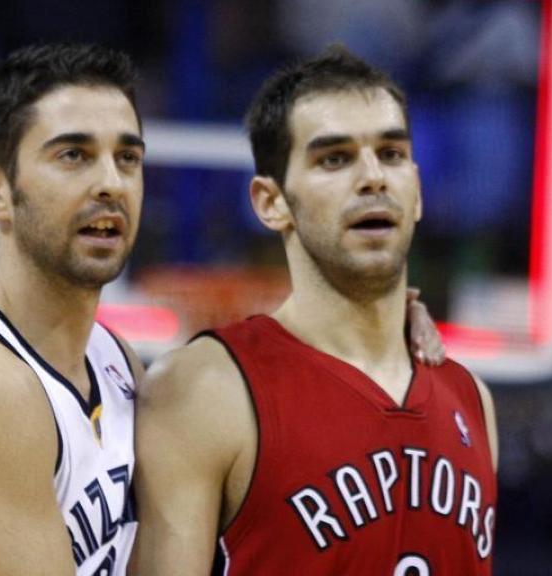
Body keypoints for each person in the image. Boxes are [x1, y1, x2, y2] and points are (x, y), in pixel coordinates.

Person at [0, 43, 445, 575]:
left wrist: (376, 331)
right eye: (73, 155)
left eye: (127, 158)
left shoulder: (112, 360)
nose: (111, 182)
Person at [133, 46, 498, 574]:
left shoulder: (472, 400)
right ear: (270, 202)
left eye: (391, 154)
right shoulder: (206, 389)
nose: (373, 178)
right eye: (335, 158)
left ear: (416, 190)